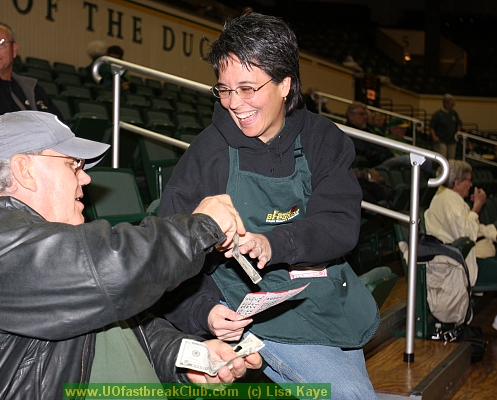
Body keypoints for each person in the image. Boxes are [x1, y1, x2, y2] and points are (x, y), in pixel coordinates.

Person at [0, 110, 262, 398]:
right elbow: (114, 270)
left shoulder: (48, 248)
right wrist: (199, 227)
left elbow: (127, 325)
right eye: (72, 165)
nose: (86, 180)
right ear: (23, 169)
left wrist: (186, 357)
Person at [157, 13, 379, 399]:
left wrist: (273, 243)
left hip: (323, 296)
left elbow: (340, 225)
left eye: (247, 88)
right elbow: (168, 250)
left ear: (284, 84)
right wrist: (205, 310)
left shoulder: (324, 140)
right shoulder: (207, 156)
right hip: (254, 309)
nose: (234, 104)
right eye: (224, 90)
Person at [424, 159, 497, 288]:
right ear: (457, 183)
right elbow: (465, 235)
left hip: (470, 257)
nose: (471, 184)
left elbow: (473, 228)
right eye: (468, 180)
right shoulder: (448, 201)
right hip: (461, 265)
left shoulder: (451, 198)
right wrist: (477, 207)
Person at [346, 102, 393, 167]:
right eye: (361, 114)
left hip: (384, 159)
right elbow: (364, 151)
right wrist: (383, 156)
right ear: (351, 116)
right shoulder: (348, 132)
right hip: (375, 164)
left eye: (366, 114)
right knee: (406, 160)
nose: (365, 117)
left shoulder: (368, 130)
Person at [429, 93, 462, 160]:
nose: (453, 106)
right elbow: (431, 127)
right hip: (441, 140)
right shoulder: (438, 114)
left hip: (452, 140)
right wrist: (434, 136)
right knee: (442, 158)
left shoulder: (454, 113)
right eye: (451, 104)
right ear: (446, 104)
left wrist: (458, 132)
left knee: (451, 159)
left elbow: (458, 123)